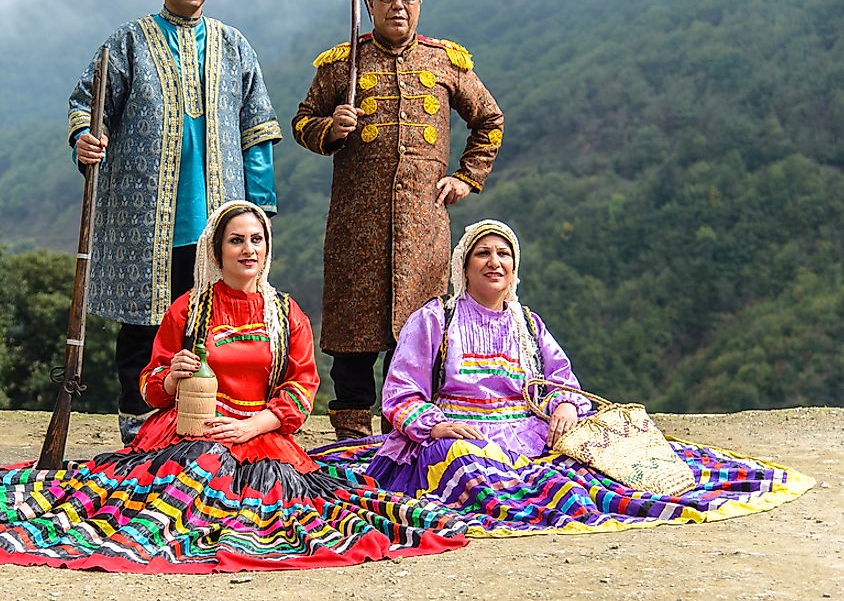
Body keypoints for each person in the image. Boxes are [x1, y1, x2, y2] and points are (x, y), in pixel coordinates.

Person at [0, 201, 468, 572]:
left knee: (293, 512)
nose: (249, 249)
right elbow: (149, 386)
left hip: (261, 434)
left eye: (257, 240)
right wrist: (168, 379)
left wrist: (253, 423)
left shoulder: (285, 312)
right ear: (216, 251)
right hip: (187, 432)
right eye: (237, 241)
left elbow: (300, 388)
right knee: (170, 491)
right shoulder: (190, 309)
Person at [311, 220, 815, 536]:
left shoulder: (528, 323)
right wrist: (436, 426)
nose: (494, 262)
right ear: (464, 267)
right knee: (467, 466)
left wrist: (566, 409)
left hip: (524, 429)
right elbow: (401, 393)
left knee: (587, 473)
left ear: (514, 269)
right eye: (483, 254)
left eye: (503, 254)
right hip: (456, 432)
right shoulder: (435, 319)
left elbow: (559, 379)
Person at [67, 0, 281, 443]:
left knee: (213, 330)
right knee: (143, 329)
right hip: (146, 223)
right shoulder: (127, 43)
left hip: (219, 223)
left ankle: (206, 432)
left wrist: (260, 212)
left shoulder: (235, 47)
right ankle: (139, 435)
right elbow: (87, 105)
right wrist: (86, 139)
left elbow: (258, 132)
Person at [291, 0, 504, 441]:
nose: (398, 7)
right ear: (369, 2)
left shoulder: (446, 63)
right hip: (354, 231)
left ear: (420, 2)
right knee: (352, 346)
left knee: (416, 342)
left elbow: (489, 120)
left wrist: (466, 177)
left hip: (423, 233)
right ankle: (350, 445)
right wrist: (329, 130)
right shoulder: (341, 63)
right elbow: (301, 122)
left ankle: (403, 438)